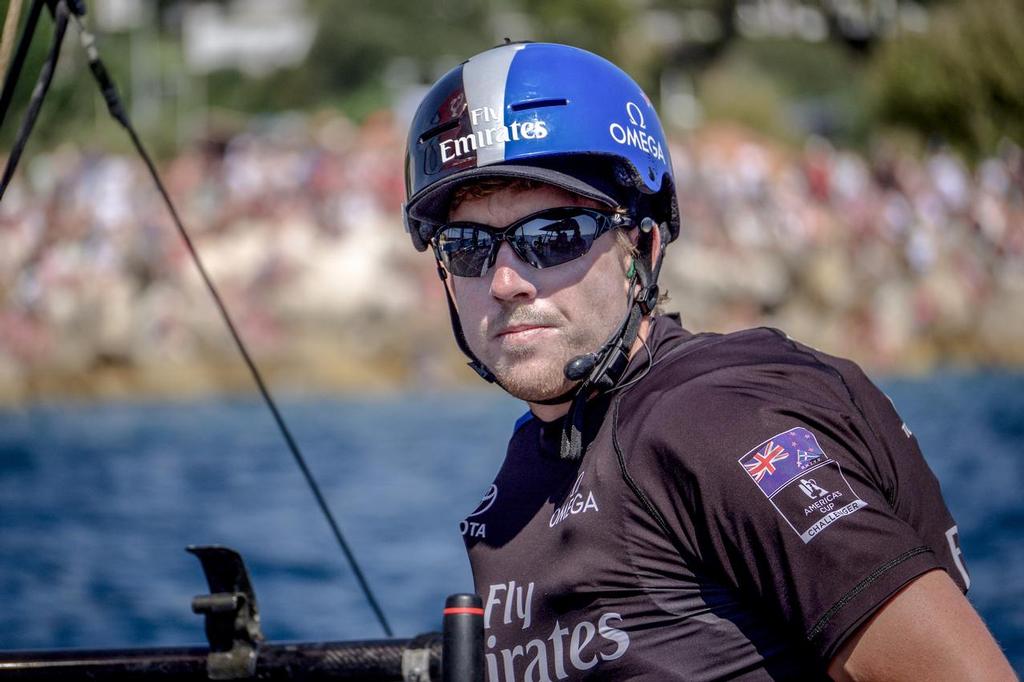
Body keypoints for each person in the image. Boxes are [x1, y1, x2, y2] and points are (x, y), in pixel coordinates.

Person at [402, 42, 1015, 681]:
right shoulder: (534, 464)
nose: (505, 282)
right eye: (469, 247)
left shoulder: (712, 421)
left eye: (552, 237)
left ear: (641, 243)